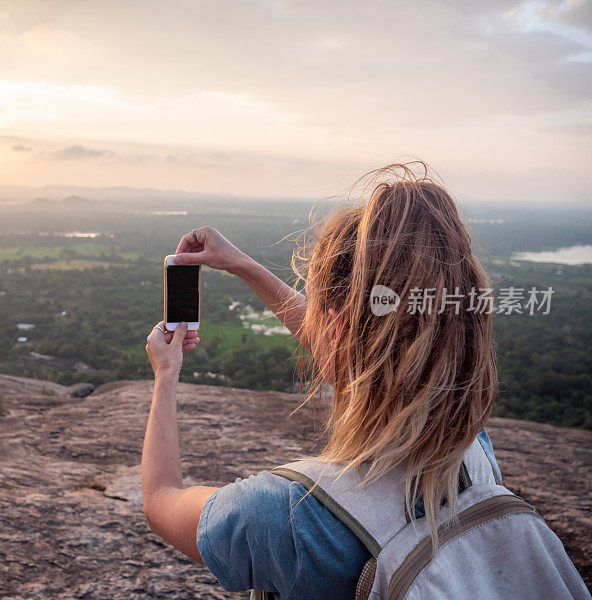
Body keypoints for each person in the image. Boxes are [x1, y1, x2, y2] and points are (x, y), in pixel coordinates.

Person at [141, 162, 517, 599]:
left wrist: (166, 374)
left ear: (336, 332)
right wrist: (241, 265)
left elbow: (161, 499)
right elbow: (359, 348)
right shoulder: (472, 451)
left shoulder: (289, 517)